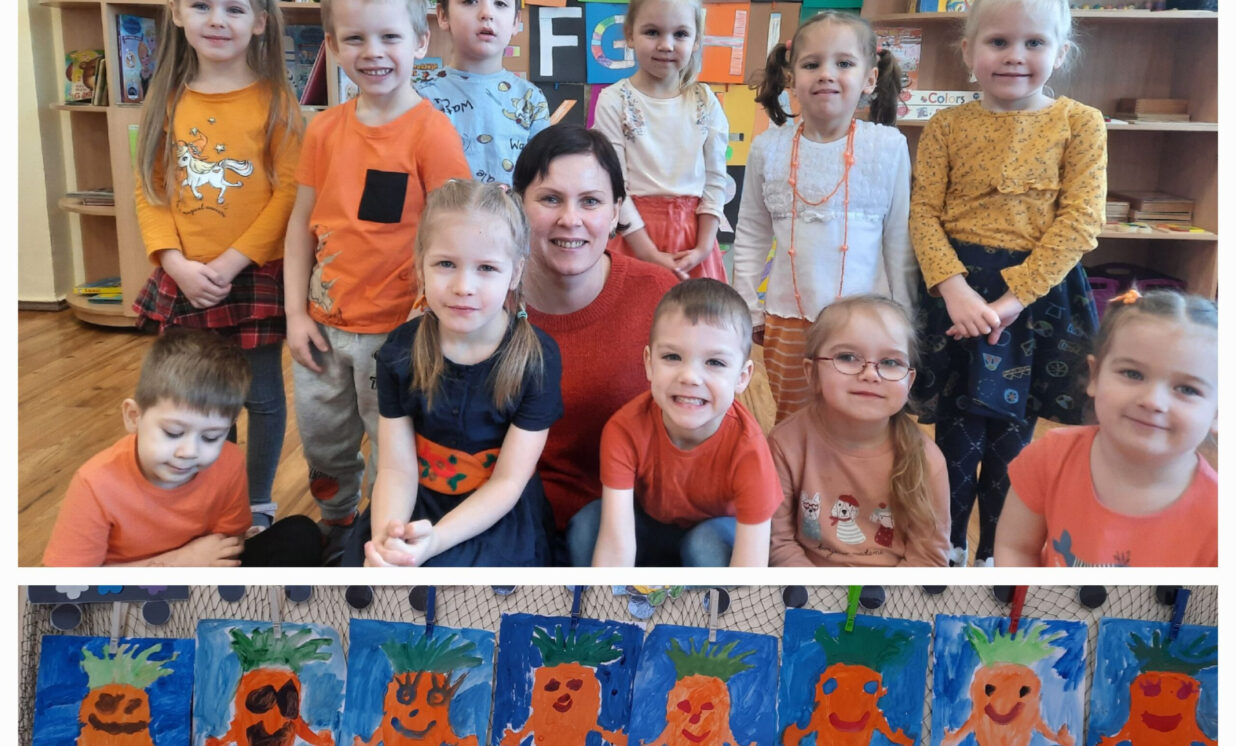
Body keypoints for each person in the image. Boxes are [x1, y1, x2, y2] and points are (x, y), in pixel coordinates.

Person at [909, 0, 1106, 566]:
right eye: (998, 42)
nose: (1015, 56)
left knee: (1012, 434)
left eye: (1034, 43)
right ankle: (948, 548)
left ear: (1060, 53)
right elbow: (924, 213)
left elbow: (1081, 221)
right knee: (957, 429)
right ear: (968, 51)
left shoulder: (1080, 123)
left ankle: (996, 553)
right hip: (957, 292)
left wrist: (1012, 301)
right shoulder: (947, 124)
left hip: (1036, 298)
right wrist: (955, 290)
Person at [284, 0, 471, 554]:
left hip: (394, 334)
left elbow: (452, 236)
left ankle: (377, 529)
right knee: (323, 440)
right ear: (332, 46)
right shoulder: (323, 130)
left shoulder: (432, 133)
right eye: (355, 39)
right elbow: (301, 225)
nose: (373, 53)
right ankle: (337, 520)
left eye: (389, 37)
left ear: (420, 42)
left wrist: (426, 319)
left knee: (390, 442)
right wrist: (294, 313)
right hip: (321, 328)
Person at [132, 0, 301, 529]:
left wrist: (231, 263)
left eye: (234, 8)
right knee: (204, 401)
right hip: (185, 278)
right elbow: (150, 188)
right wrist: (174, 262)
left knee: (263, 398)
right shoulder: (166, 99)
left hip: (253, 277)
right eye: (201, 5)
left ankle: (256, 503)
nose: (217, 20)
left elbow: (289, 192)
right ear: (177, 13)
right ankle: (212, 499)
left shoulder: (276, 101)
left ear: (259, 22)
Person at [348, 180, 563, 567]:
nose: (464, 286)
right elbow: (396, 468)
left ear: (515, 273)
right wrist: (387, 540)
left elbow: (509, 481)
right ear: (421, 265)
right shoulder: (399, 350)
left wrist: (434, 542)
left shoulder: (536, 360)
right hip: (415, 499)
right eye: (446, 264)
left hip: (494, 514)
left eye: (487, 268)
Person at [732, 10, 914, 424]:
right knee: (794, 417)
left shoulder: (888, 147)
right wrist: (747, 305)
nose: (826, 74)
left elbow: (898, 240)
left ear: (869, 78)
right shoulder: (768, 149)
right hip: (788, 319)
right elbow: (752, 233)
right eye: (812, 64)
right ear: (791, 77)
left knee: (859, 419)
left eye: (844, 63)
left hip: (868, 323)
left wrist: (902, 317)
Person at [512, 124, 679, 555]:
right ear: (518, 205)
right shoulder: (481, 302)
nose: (571, 219)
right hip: (512, 525)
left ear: (616, 211)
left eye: (590, 201)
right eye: (550, 199)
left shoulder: (660, 297)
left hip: (629, 527)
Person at [43, 329, 323, 567]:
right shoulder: (95, 483)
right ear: (133, 417)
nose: (189, 452)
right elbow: (65, 586)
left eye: (211, 437)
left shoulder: (228, 461)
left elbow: (228, 544)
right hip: (126, 594)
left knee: (300, 534)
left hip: (201, 576)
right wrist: (178, 563)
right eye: (173, 433)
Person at [994, 290, 1217, 567]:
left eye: (1187, 389)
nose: (1152, 401)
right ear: (1095, 376)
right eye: (1133, 374)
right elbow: (1016, 548)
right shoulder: (1049, 457)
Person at [582, 279, 779, 567]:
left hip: (716, 532)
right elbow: (615, 544)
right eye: (672, 357)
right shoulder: (623, 430)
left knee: (704, 544)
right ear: (650, 364)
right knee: (588, 526)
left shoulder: (749, 450)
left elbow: (750, 571)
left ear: (742, 377)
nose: (689, 377)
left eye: (715, 362)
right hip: (652, 526)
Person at [767, 295, 949, 567]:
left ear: (909, 381)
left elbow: (928, 558)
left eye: (890, 362)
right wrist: (817, 590)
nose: (870, 374)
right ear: (811, 373)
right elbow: (777, 542)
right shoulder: (784, 444)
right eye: (848, 357)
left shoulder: (928, 460)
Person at [591, 0, 728, 281]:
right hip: (633, 239)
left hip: (693, 242)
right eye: (652, 32)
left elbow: (715, 180)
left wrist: (703, 248)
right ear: (630, 34)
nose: (666, 45)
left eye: (680, 34)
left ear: (696, 40)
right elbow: (613, 185)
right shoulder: (613, 100)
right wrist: (649, 254)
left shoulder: (705, 100)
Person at [418, 0, 550, 184]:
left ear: (515, 22)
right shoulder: (418, 96)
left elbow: (540, 181)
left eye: (500, 3)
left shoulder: (531, 99)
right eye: (470, 1)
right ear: (443, 15)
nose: (487, 13)